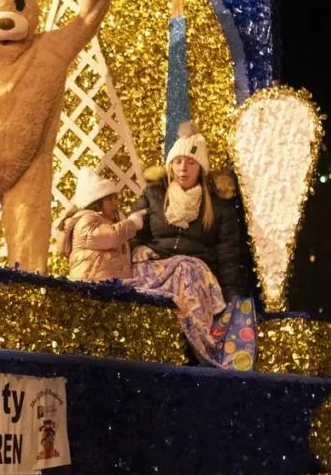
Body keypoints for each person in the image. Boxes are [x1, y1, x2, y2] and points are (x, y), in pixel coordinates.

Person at [125, 120, 254, 369]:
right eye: (178, 162)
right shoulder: (153, 195)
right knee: (134, 274)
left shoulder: (219, 208)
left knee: (186, 270)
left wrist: (231, 299)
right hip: (158, 263)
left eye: (190, 163)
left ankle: (202, 353)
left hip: (196, 272)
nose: (183, 169)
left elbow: (227, 257)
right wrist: (137, 247)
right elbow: (133, 230)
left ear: (201, 169)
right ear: (170, 164)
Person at [55, 168, 146, 282]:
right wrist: (133, 223)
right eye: (109, 199)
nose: (116, 203)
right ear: (96, 202)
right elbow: (112, 236)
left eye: (115, 198)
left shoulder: (108, 222)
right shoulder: (86, 221)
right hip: (91, 287)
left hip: (109, 287)